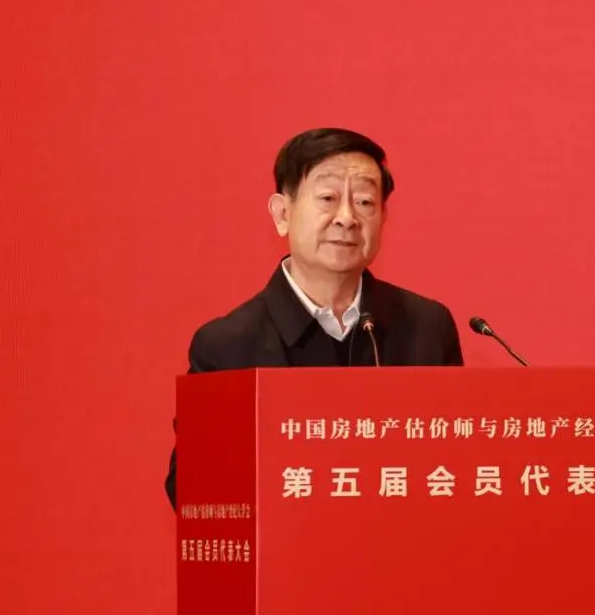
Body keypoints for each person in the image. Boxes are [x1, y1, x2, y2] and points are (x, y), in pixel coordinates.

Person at [164, 127, 464, 509]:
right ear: (282, 214)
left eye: (365, 202)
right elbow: (192, 489)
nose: (347, 218)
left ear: (383, 217)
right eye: (327, 198)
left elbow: (458, 464)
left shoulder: (427, 327)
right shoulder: (227, 347)